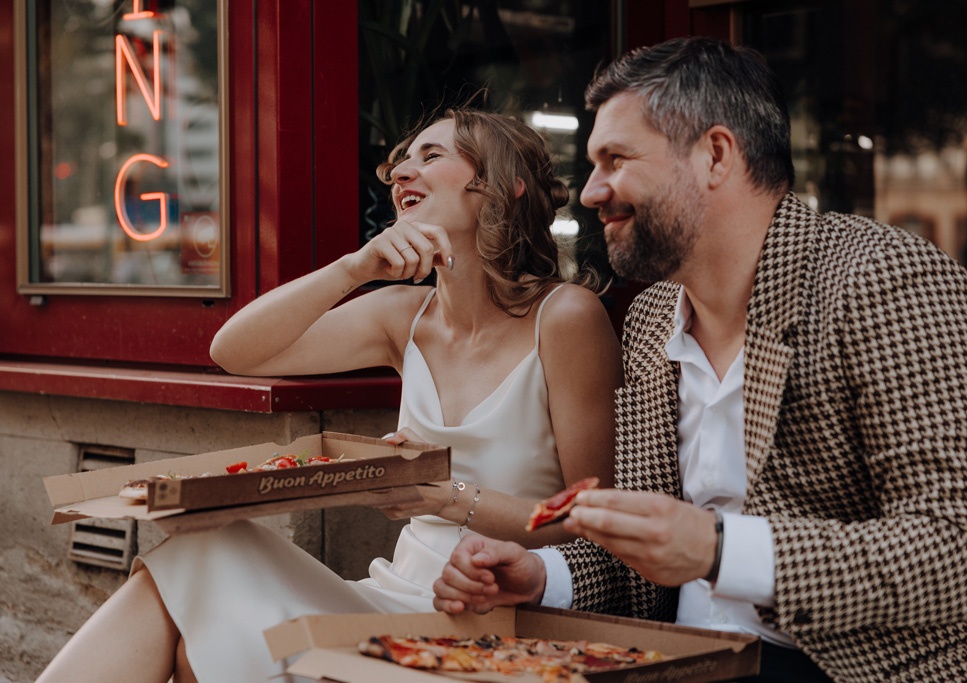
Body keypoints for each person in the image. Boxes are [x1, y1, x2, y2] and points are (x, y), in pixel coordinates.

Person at [432, 37, 967, 683]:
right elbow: (649, 549)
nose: (592, 191)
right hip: (684, 656)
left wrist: (717, 548)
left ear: (715, 154)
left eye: (616, 159)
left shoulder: (888, 283)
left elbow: (964, 554)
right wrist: (543, 574)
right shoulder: (653, 316)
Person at [36, 108, 622, 683]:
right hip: (389, 596)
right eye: (402, 161)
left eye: (432, 155)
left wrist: (443, 496)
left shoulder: (566, 317)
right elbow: (233, 351)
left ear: (502, 186)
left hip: (498, 619)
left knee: (199, 649)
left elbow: (590, 520)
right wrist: (352, 268)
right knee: (203, 547)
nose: (400, 174)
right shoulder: (404, 315)